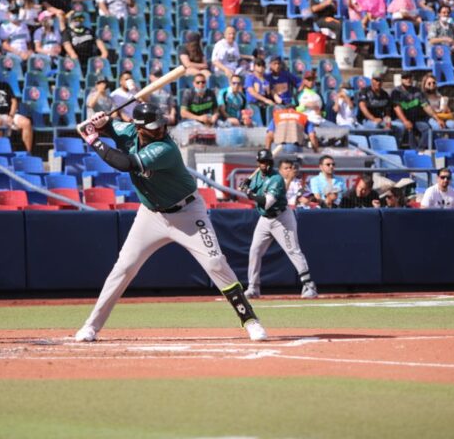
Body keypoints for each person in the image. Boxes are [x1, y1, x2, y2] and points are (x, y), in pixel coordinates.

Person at [73, 103, 268, 342]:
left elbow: (125, 164)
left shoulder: (165, 148)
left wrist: (94, 139)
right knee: (123, 268)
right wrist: (100, 124)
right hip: (151, 214)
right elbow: (108, 127)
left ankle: (250, 320)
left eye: (162, 125)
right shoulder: (127, 130)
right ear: (139, 128)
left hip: (187, 212)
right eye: (154, 127)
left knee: (216, 262)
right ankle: (91, 326)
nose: (160, 130)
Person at [239, 149, 318, 300]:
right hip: (264, 219)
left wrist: (249, 193)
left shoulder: (276, 179)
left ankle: (309, 286)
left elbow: (267, 202)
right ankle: (253, 287)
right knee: (254, 250)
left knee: (293, 251)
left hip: (281, 218)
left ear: (271, 163)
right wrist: (246, 185)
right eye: (262, 162)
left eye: (267, 162)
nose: (264, 165)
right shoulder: (257, 176)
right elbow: (253, 191)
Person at [0, 68, 34, 152]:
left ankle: (28, 152)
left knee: (26, 122)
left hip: (9, 113)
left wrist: (11, 115)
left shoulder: (5, 85)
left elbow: (14, 101)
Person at [392, 72, 443, 149]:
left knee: (427, 129)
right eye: (405, 78)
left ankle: (420, 150)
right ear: (401, 79)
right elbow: (397, 108)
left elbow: (426, 106)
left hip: (416, 119)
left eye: (409, 77)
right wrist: (405, 121)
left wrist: (437, 119)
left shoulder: (417, 91)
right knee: (405, 127)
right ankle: (397, 149)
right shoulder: (396, 92)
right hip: (400, 119)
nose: (408, 79)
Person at [356, 70, 402, 139]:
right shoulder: (364, 91)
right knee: (376, 126)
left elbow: (387, 111)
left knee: (400, 126)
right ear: (372, 80)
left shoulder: (384, 94)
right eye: (376, 80)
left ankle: (394, 146)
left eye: (380, 80)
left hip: (381, 120)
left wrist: (388, 122)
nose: (378, 83)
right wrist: (373, 118)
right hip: (366, 120)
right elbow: (362, 107)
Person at [62, 11, 109, 75]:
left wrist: (104, 53)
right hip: (76, 58)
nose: (78, 21)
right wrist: (73, 55)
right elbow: (67, 46)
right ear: (72, 20)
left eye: (81, 19)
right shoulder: (67, 32)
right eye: (76, 19)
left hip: (90, 57)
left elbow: (99, 42)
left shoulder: (89, 31)